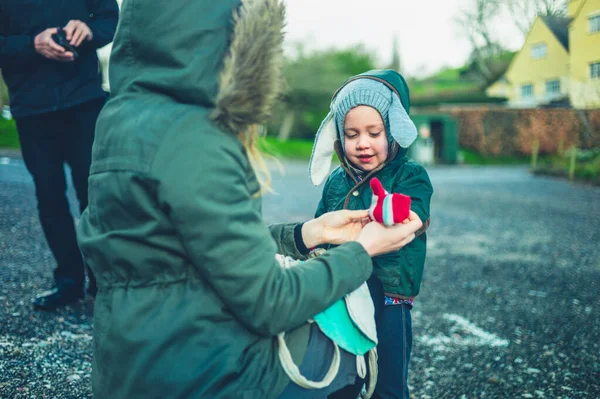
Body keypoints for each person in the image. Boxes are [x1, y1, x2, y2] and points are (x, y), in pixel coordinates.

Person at [75, 0, 423, 398]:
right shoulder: (196, 137)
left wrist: (305, 233)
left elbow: (190, 245)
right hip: (198, 373)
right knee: (344, 350)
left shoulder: (118, 120)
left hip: (128, 369)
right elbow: (270, 302)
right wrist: (361, 251)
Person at [307, 70, 434, 399]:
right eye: (351, 135)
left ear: (393, 129)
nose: (362, 143)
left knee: (389, 379)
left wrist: (389, 209)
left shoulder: (410, 174)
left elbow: (415, 217)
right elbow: (321, 225)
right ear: (338, 137)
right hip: (344, 292)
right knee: (340, 372)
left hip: (391, 295)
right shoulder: (337, 181)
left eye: (373, 132)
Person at [0, 0, 119, 310]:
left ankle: (102, 282)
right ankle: (68, 282)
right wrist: (31, 44)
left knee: (93, 195)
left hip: (84, 102)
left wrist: (89, 30)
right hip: (32, 109)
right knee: (49, 197)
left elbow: (110, 19)